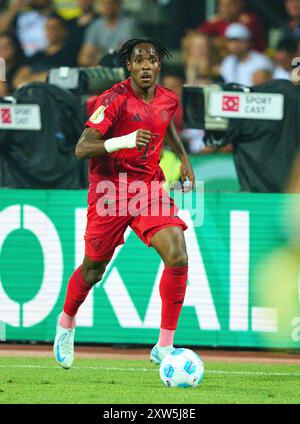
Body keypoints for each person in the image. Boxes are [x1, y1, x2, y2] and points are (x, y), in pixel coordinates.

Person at [53, 37, 195, 369]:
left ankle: (164, 346)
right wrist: (125, 141)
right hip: (109, 192)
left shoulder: (168, 99)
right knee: (93, 269)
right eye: (139, 61)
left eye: (152, 60)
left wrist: (183, 157)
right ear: (128, 66)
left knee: (177, 254)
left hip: (148, 188)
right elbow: (82, 148)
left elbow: (165, 123)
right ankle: (66, 322)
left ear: (159, 64)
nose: (146, 66)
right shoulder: (114, 100)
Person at [13, 14, 77, 87]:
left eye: (54, 28)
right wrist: (45, 77)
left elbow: (63, 79)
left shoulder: (71, 55)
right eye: (48, 28)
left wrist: (31, 78)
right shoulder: (36, 56)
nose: (51, 31)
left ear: (64, 31)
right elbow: (17, 80)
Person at [78, 0, 138, 66]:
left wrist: (98, 55)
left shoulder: (129, 24)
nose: (107, 7)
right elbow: (84, 58)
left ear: (118, 5)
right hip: (100, 71)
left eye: (110, 3)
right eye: (104, 4)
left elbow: (125, 53)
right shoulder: (94, 26)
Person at [198, 0, 266, 52]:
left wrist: (214, 42)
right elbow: (197, 38)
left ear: (239, 5)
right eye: (222, 5)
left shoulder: (249, 19)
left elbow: (234, 44)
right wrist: (209, 23)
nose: (225, 9)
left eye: (229, 5)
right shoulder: (217, 21)